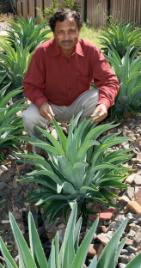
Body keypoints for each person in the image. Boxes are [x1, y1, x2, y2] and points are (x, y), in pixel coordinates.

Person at [23, 9, 119, 138]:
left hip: (78, 105)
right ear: (54, 33)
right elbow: (30, 85)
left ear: (79, 30)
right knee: (29, 117)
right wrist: (41, 102)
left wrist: (104, 104)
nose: (66, 37)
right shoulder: (42, 53)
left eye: (71, 31)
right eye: (60, 32)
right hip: (50, 106)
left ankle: (80, 137)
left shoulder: (90, 51)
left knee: (98, 98)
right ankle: (43, 148)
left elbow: (109, 80)